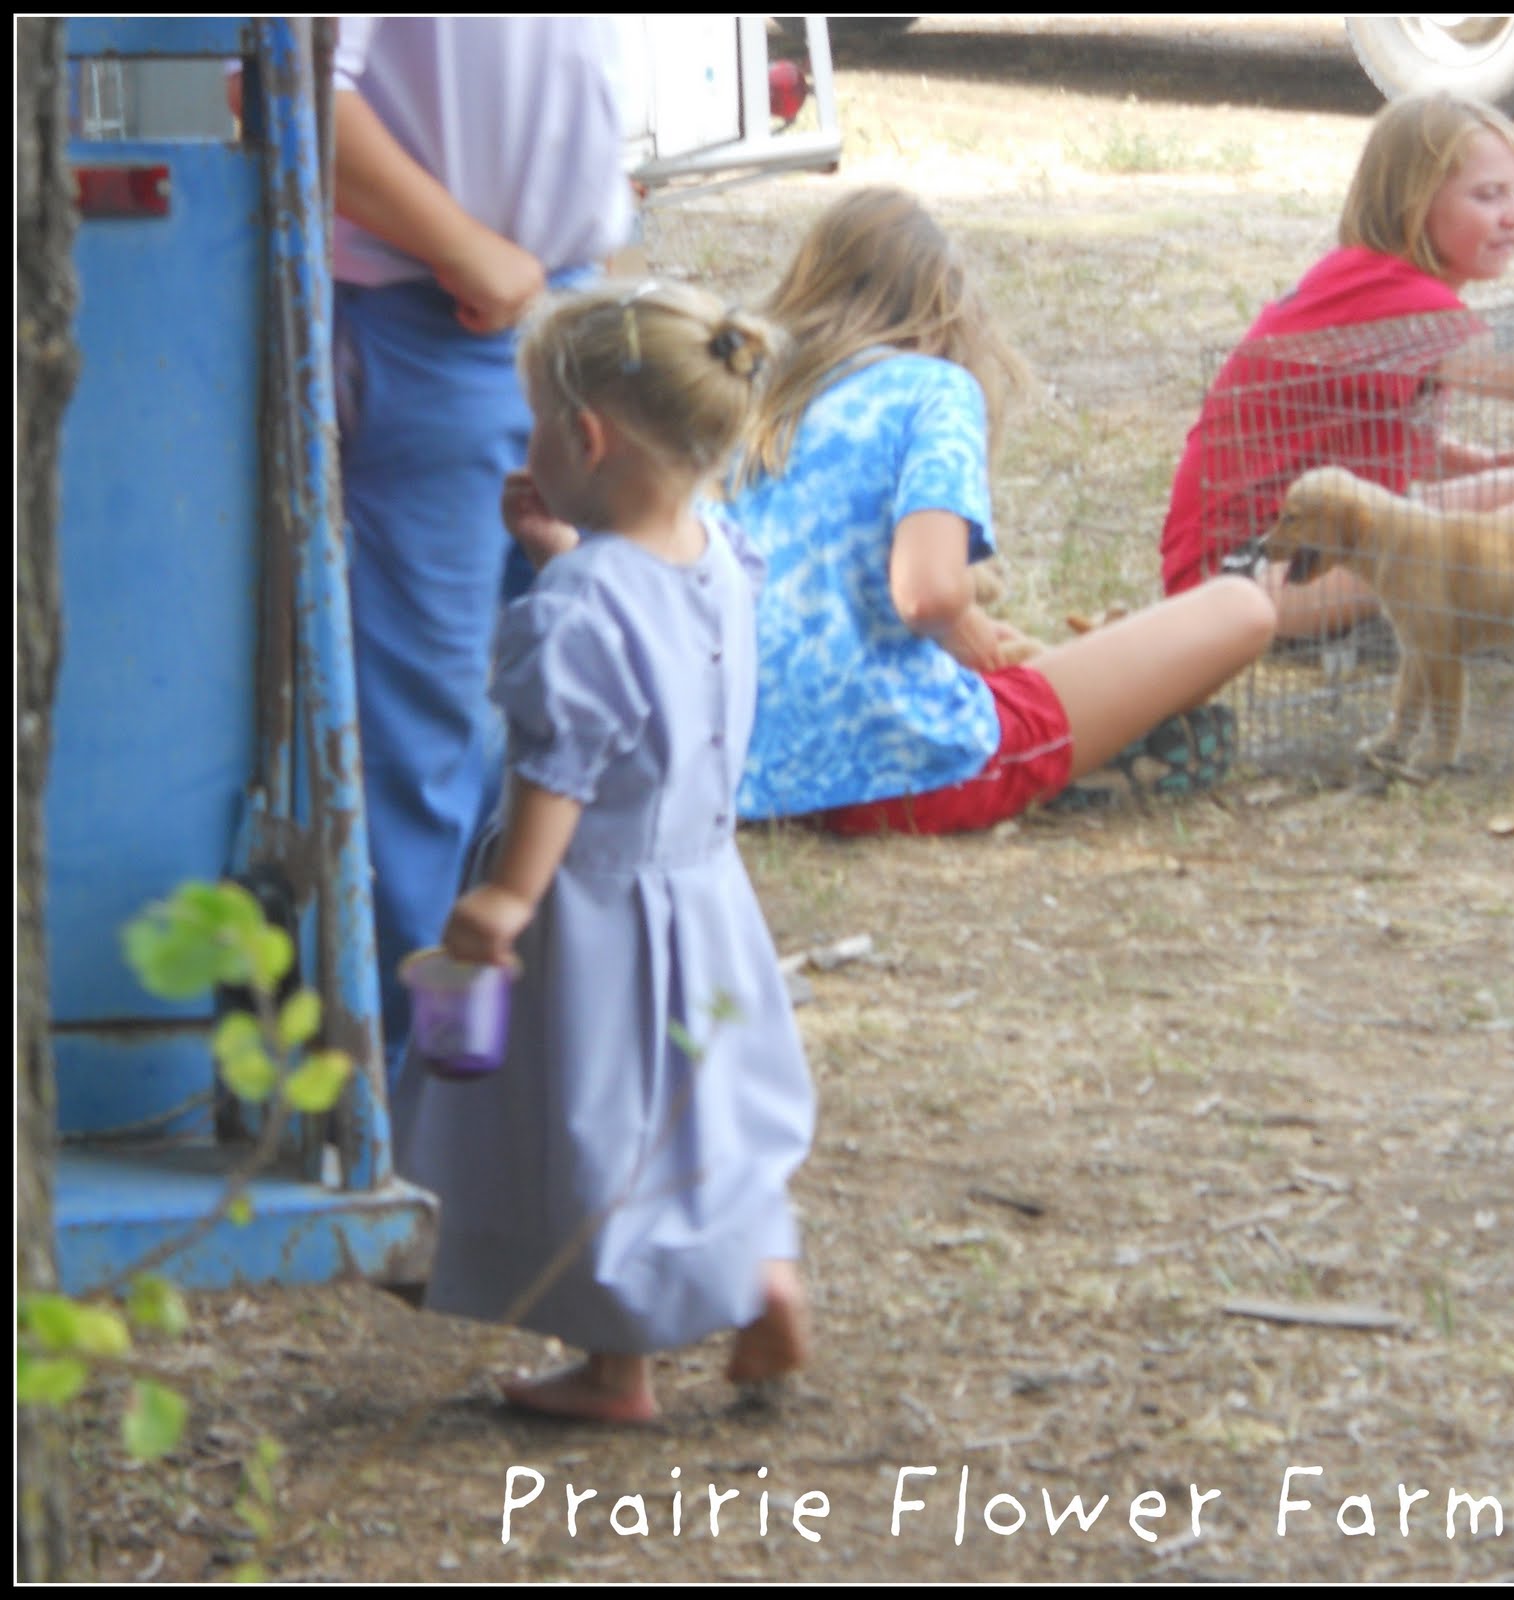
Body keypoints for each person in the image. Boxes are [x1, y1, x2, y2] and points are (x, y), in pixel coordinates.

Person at [391, 281, 816, 1423]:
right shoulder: (718, 555)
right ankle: (724, 1289)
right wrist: (561, 543)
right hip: (702, 895)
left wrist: (505, 897)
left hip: (594, 915)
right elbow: (653, 644)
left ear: (585, 437)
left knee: (592, 1126)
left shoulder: (580, 602)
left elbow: (563, 766)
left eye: (538, 424)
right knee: (695, 1105)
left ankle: (646, 1343)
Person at [723, 186, 1276, 835]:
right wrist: (962, 627)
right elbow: (926, 595)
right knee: (1242, 607)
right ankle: (1111, 748)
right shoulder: (935, 389)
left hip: (751, 772)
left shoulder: (765, 406)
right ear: (942, 315)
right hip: (902, 774)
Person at [324, 19, 636, 1086]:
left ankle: (517, 1082)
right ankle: (415, 1102)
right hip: (436, 315)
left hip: (563, 307)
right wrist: (473, 253)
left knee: (577, 695)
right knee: (429, 737)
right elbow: (290, 89)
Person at [1160, 91, 1514, 639]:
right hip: (1243, 584)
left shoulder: (1371, 278)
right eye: (1488, 196)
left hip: (1304, 552)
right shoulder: (1392, 291)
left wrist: (1480, 464)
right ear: (1414, 201)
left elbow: (1373, 432)